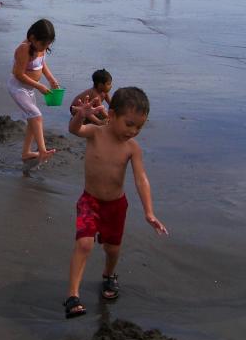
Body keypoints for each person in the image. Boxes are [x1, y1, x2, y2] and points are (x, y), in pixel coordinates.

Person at [64, 87, 168, 318]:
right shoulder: (95, 132)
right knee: (84, 244)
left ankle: (109, 276)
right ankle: (73, 295)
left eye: (139, 126)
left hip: (116, 206)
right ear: (111, 116)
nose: (134, 131)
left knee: (112, 249)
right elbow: (74, 130)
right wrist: (80, 114)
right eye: (129, 124)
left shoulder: (132, 148)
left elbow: (141, 179)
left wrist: (149, 212)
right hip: (90, 201)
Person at [8, 19, 60, 168]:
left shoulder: (41, 47)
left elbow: (42, 64)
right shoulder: (24, 49)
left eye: (48, 44)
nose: (46, 47)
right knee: (36, 116)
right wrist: (39, 86)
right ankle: (42, 151)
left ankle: (26, 152)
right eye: (43, 44)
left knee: (32, 120)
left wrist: (50, 78)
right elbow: (18, 74)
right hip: (18, 87)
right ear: (32, 38)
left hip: (29, 89)